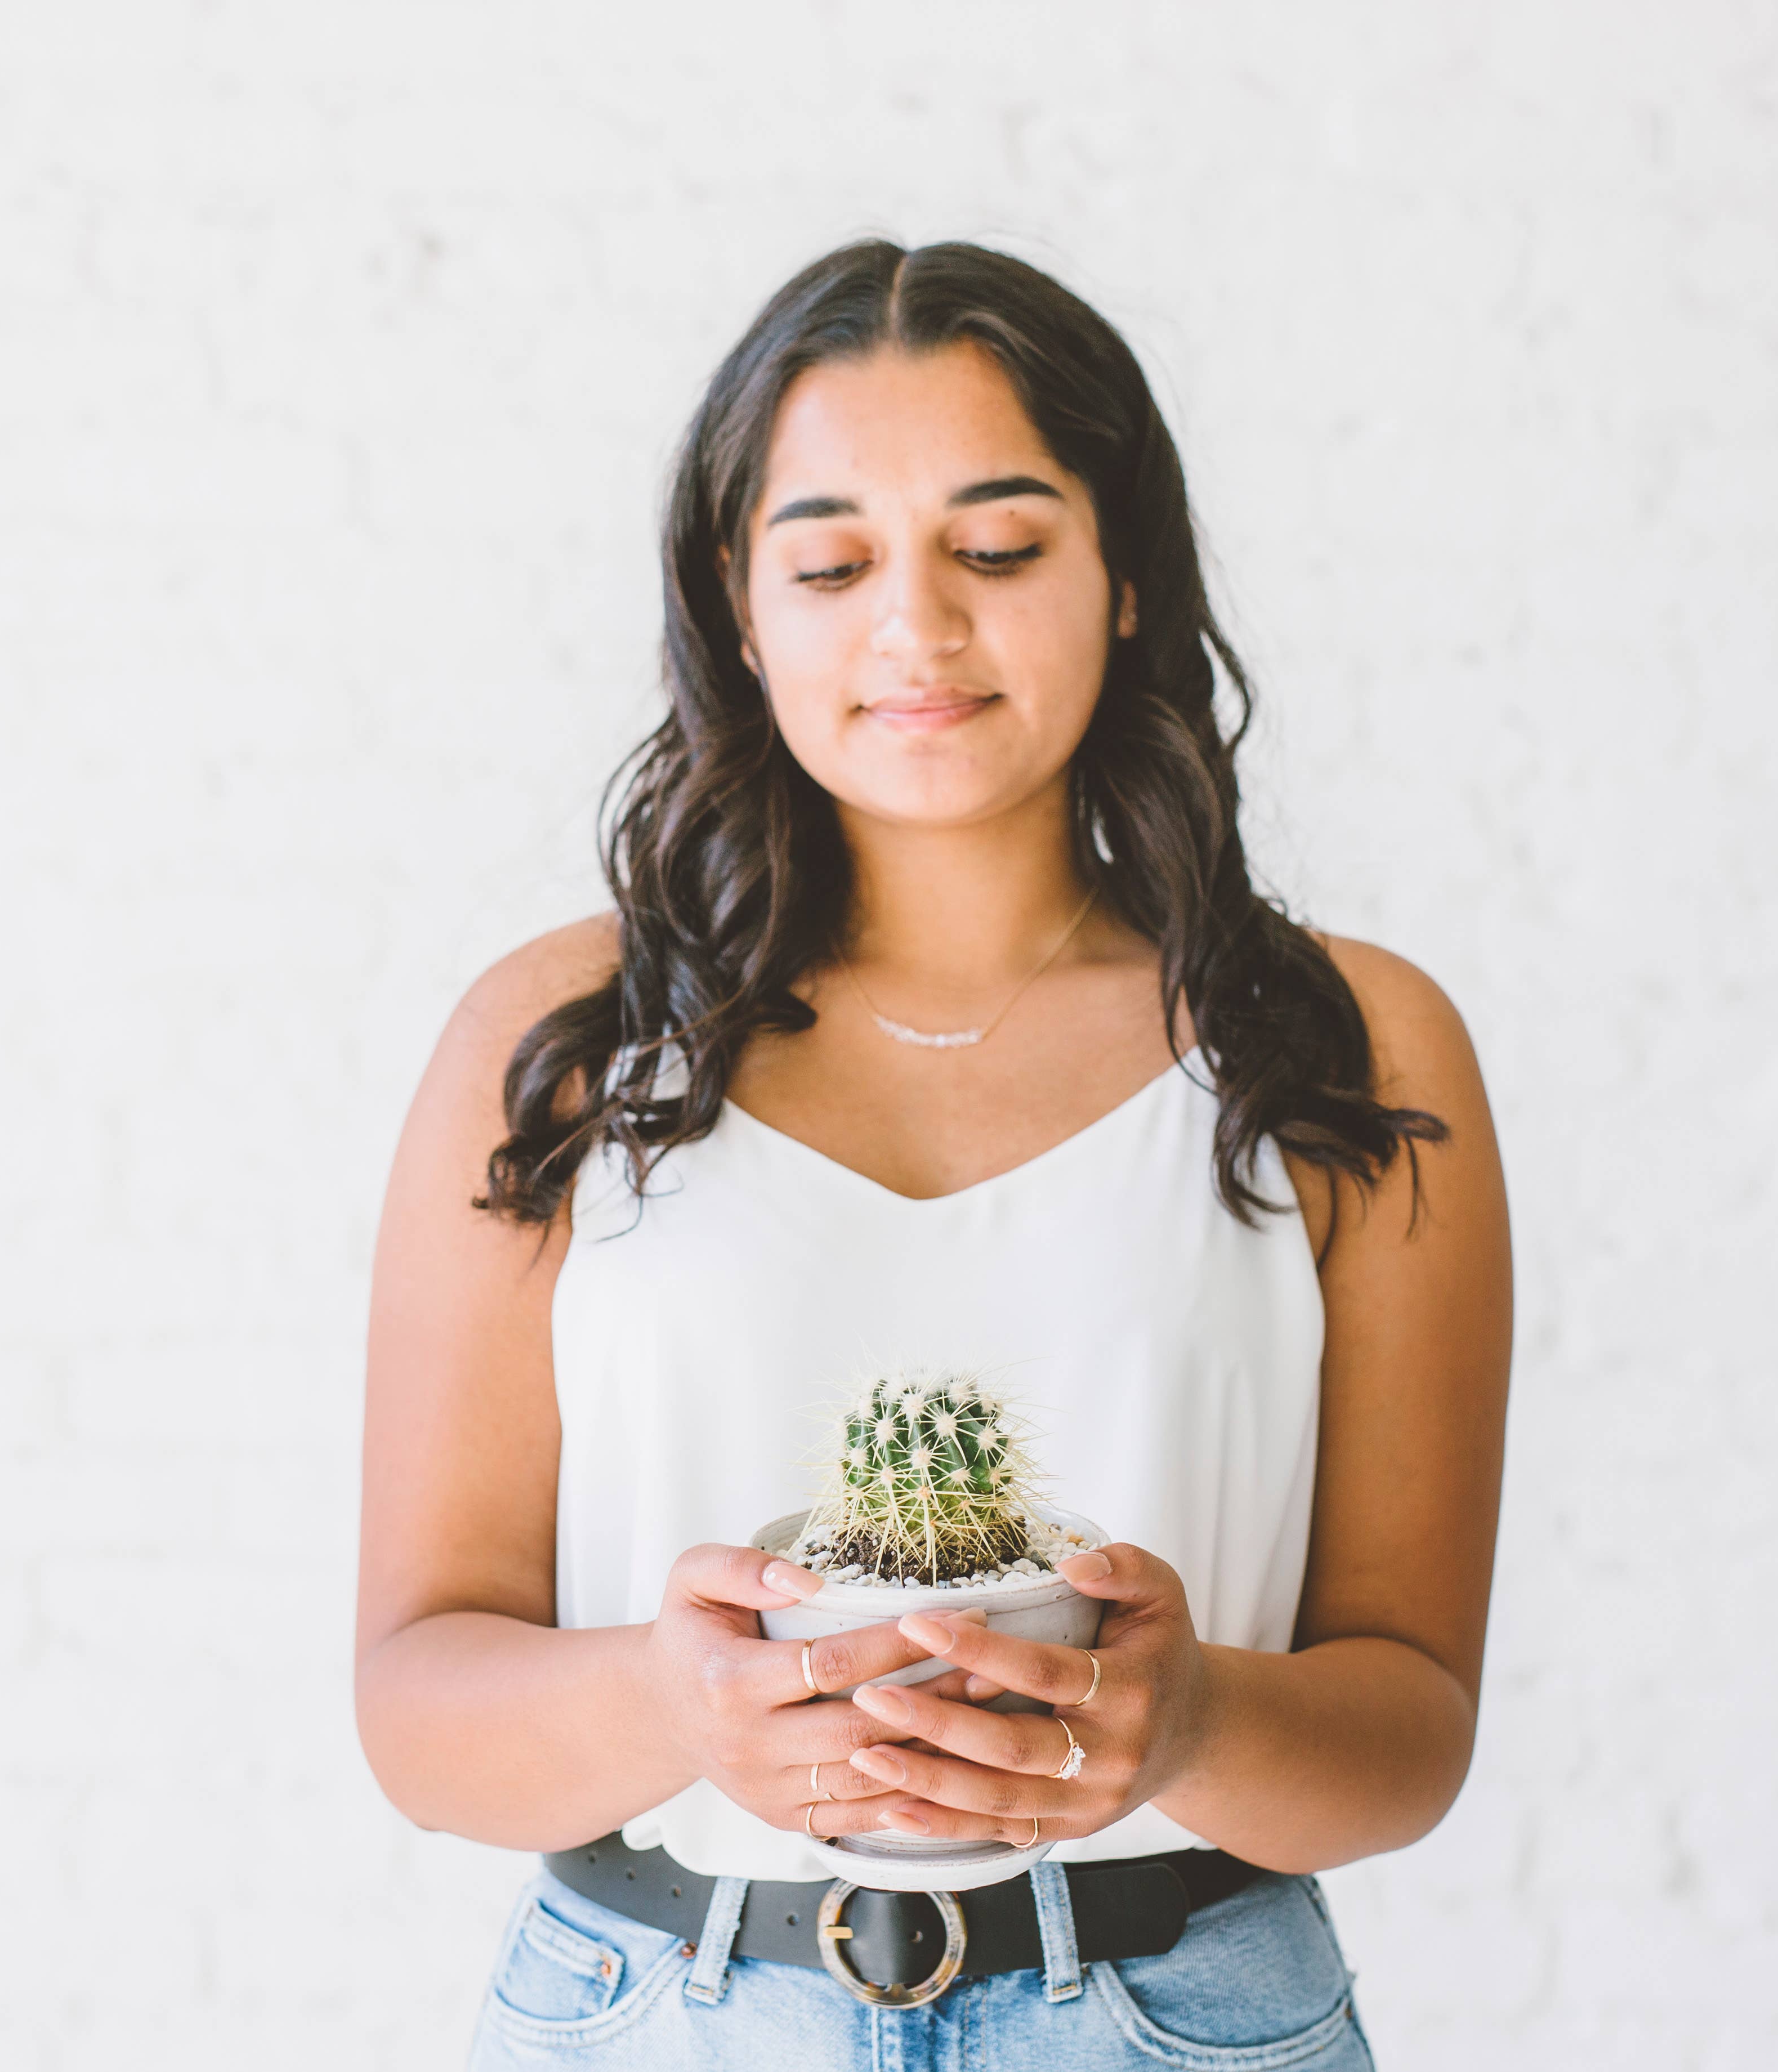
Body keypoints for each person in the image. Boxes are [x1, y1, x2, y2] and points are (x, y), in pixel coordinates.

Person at [355, 239, 1512, 2071]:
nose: (915, 627)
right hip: (659, 2014)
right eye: (829, 563)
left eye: (996, 548)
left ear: (1127, 577)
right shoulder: (562, 1043)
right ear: (739, 612)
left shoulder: (1340, 1048)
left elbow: (1411, 1727)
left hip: (1174, 2019)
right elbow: (418, 1699)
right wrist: (676, 1705)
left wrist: (1189, 1719)